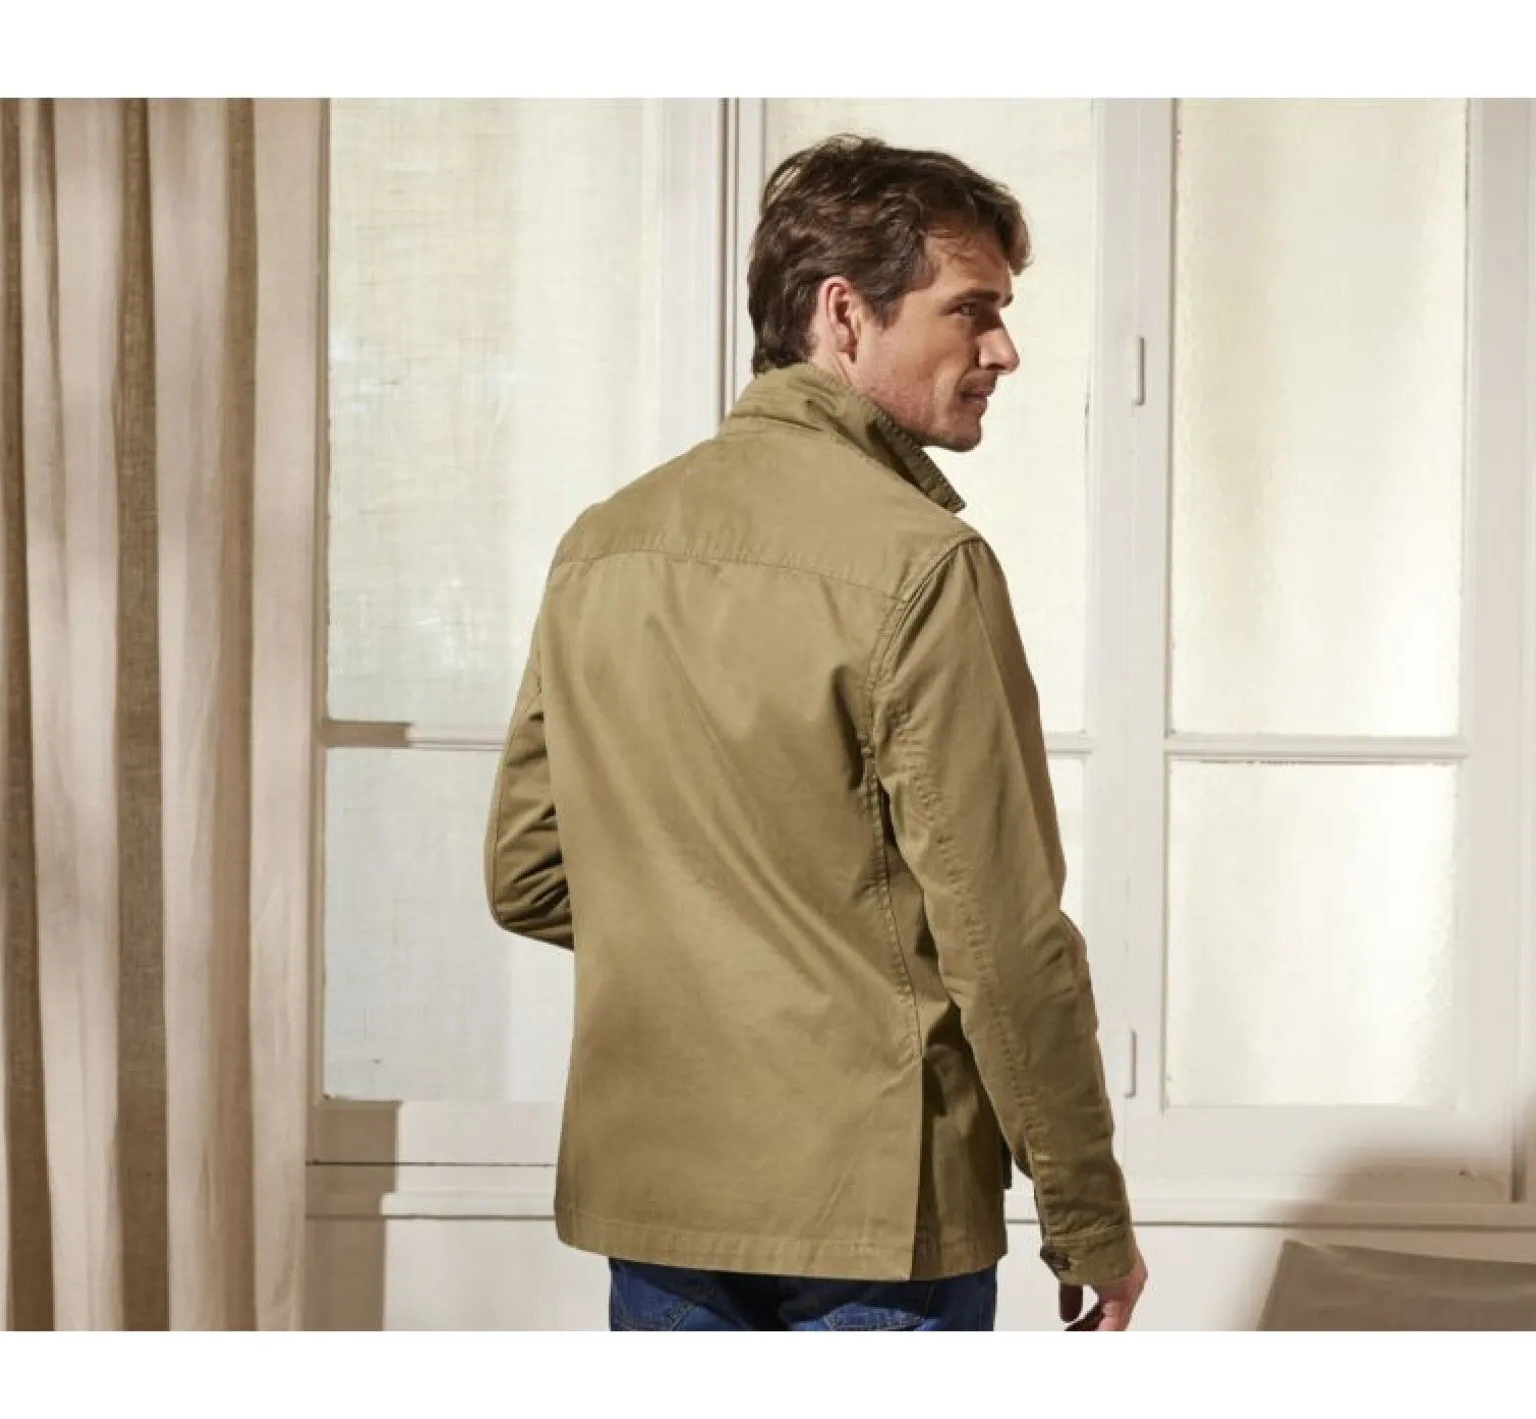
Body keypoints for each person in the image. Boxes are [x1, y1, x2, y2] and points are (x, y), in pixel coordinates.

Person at [485, 134, 1144, 1332]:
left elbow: (529, 872)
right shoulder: (924, 565)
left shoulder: (602, 545)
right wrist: (1087, 1214)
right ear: (844, 314)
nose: (1004, 348)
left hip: (658, 1198)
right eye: (972, 308)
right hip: (877, 1215)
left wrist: (719, 947)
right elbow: (1003, 941)